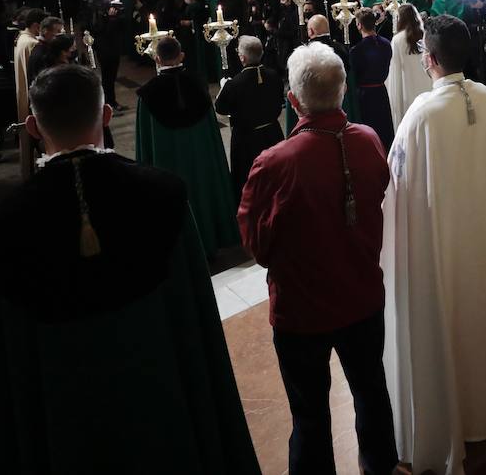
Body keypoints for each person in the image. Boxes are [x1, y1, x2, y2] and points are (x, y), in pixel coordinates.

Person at [0, 64, 260, 475]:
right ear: (105, 116)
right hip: (162, 407)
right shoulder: (164, 198)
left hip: (61, 429)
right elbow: (196, 325)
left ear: (32, 127)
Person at [382, 15, 486, 474]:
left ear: (428, 60)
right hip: (483, 233)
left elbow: (398, 185)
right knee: (482, 311)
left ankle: (450, 422)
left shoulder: (422, 113)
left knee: (447, 320)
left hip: (443, 242)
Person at [237, 44, 399, 475]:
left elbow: (256, 244)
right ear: (343, 91)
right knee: (371, 393)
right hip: (362, 297)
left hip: (301, 309)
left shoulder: (274, 162)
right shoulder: (368, 141)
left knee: (309, 413)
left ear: (292, 100)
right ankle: (380, 465)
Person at [134, 37, 239, 256]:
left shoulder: (148, 95)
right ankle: (211, 240)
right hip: (201, 160)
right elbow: (212, 131)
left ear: (157, 58)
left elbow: (145, 142)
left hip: (168, 166)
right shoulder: (198, 84)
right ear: (182, 56)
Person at [215, 35, 284, 203]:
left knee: (248, 180)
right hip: (272, 134)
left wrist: (224, 88)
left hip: (247, 140)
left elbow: (221, 108)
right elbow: (279, 101)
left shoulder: (234, 84)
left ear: (242, 57)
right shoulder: (274, 75)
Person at [350, 9, 395, 149]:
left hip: (365, 96)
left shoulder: (356, 50)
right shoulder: (387, 44)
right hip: (381, 91)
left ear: (359, 25)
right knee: (384, 128)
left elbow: (354, 75)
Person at [13, 8, 47, 181]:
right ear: (36, 26)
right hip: (32, 97)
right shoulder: (32, 44)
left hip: (23, 94)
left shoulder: (22, 38)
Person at [387, 4, 433, 131]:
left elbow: (394, 68)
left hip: (407, 85)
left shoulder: (397, 39)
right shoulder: (425, 34)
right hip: (426, 82)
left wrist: (394, 94)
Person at [26, 17, 66, 85]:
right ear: (45, 31)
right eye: (58, 31)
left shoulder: (46, 48)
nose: (61, 36)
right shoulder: (42, 53)